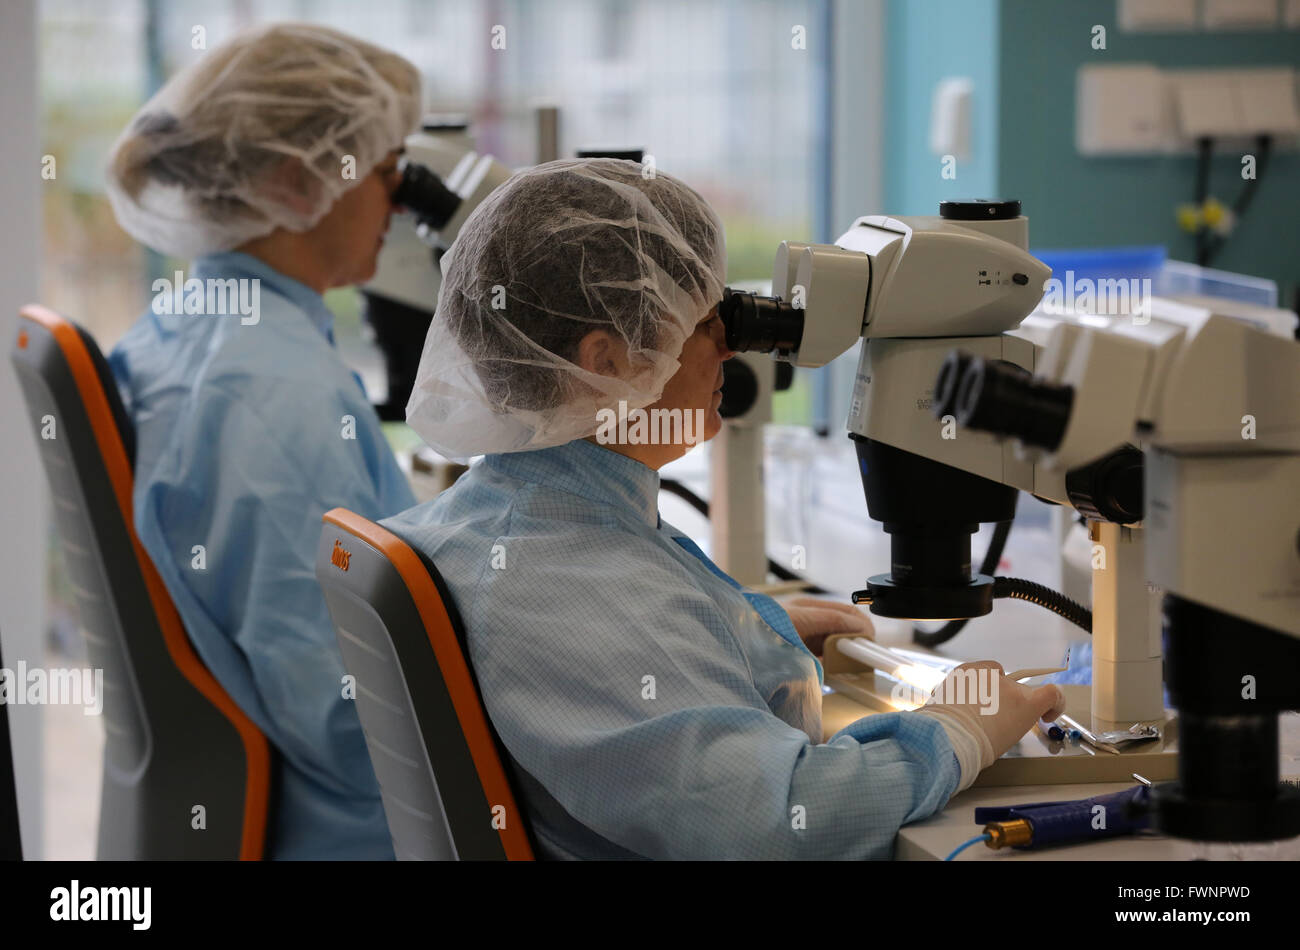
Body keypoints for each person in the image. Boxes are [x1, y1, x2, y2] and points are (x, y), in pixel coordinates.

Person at [386, 158, 1066, 859]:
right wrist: (956, 734)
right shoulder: (584, 586)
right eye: (707, 322)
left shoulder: (506, 515)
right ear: (609, 359)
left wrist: (737, 627)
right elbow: (773, 826)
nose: (731, 346)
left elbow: (621, 651)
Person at [104, 22, 422, 859]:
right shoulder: (269, 393)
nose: (397, 199)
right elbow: (355, 727)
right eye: (387, 171)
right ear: (296, 179)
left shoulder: (185, 330)